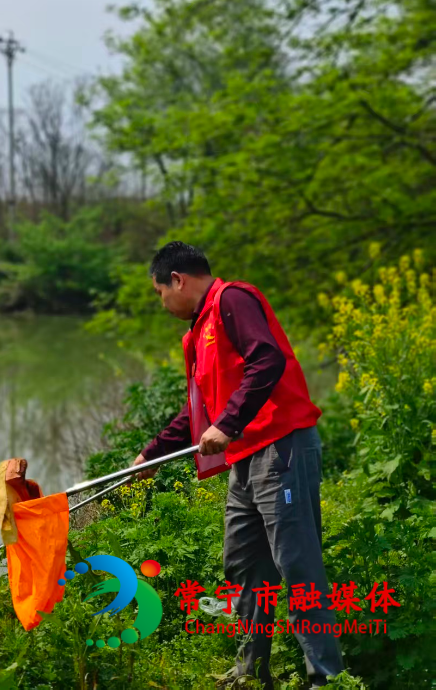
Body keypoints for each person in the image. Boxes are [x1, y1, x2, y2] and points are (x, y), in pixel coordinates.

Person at [133, 242, 345, 689]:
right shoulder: (199, 332)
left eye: (159, 292)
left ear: (177, 279)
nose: (162, 303)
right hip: (246, 457)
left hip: (280, 447)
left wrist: (229, 423)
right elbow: (200, 411)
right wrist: (150, 454)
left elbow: (267, 359)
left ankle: (325, 678)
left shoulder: (233, 300)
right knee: (245, 564)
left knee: (297, 564)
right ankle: (251, 673)